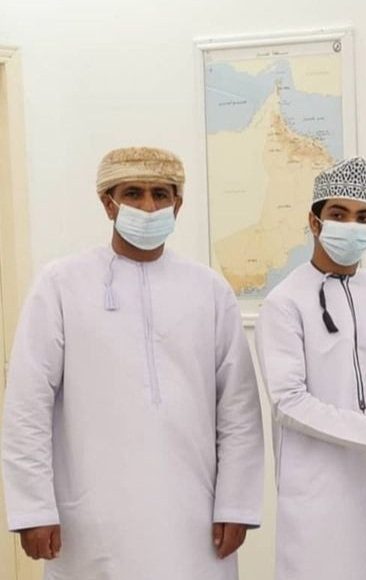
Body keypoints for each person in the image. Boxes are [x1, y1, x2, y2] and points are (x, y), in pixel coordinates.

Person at [2, 146, 265, 578]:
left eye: (161, 194)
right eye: (133, 193)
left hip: (192, 518)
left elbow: (238, 409)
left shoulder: (209, 290)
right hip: (93, 519)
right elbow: (27, 404)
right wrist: (33, 508)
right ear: (108, 203)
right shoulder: (61, 284)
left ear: (177, 204)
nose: (148, 206)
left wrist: (236, 503)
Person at [255, 157, 366, 580]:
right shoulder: (285, 303)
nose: (352, 225)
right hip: (318, 490)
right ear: (314, 222)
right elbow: (288, 402)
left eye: (363, 217)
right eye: (339, 214)